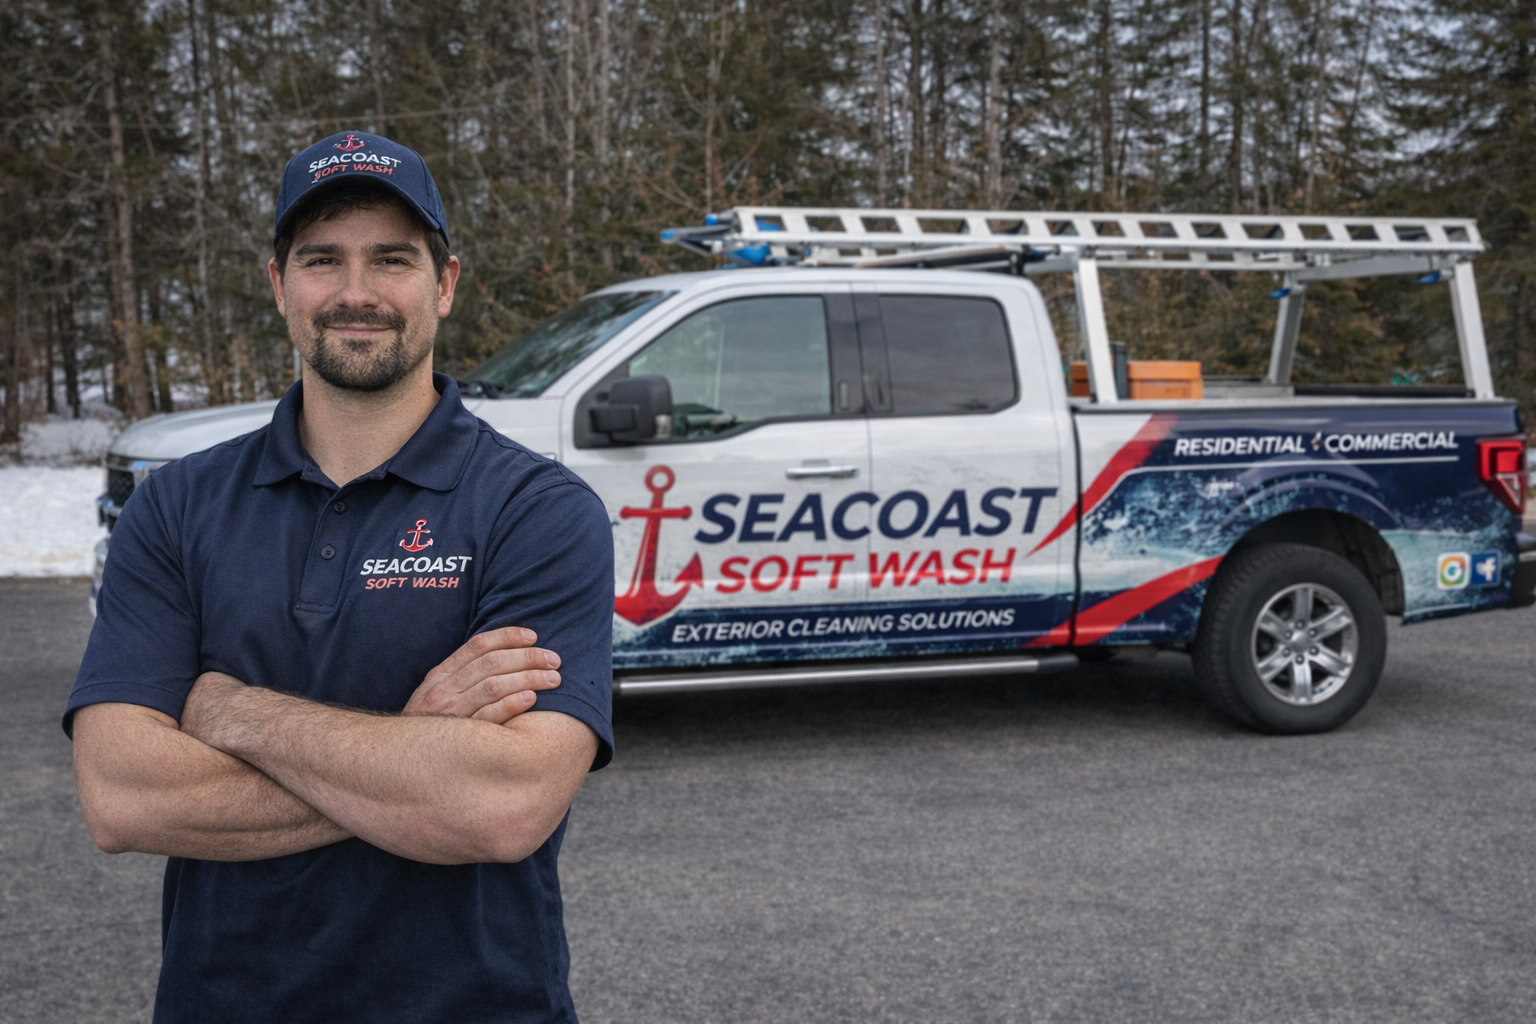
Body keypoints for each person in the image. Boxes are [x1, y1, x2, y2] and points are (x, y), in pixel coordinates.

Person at [65, 131, 615, 1024]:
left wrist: (230, 711)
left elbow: (502, 804)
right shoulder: (177, 508)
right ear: (281, 285)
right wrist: (412, 747)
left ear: (443, 283)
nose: (356, 293)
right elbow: (124, 797)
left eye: (391, 258)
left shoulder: (537, 511)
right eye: (323, 259)